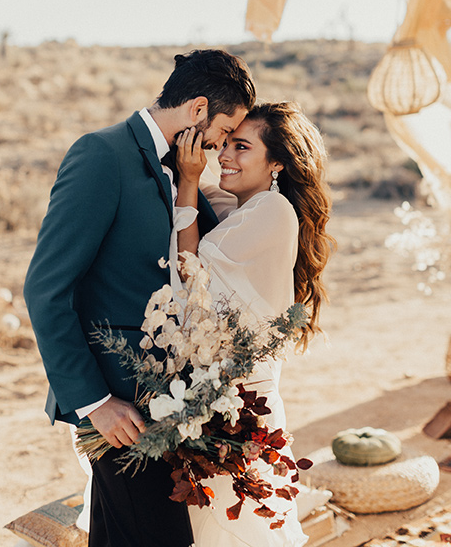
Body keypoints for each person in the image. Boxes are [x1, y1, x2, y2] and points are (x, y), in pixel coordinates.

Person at [23, 48, 256, 547]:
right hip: (117, 407)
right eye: (222, 131)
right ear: (197, 110)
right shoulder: (101, 155)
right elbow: (46, 287)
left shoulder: (183, 171)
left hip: (166, 401)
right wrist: (95, 402)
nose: (218, 147)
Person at [174, 101, 335, 547]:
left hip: (238, 400)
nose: (224, 155)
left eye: (241, 147)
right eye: (223, 143)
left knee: (234, 523)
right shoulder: (240, 204)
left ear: (277, 161)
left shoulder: (272, 211)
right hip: (223, 394)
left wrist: (189, 180)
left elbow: (193, 270)